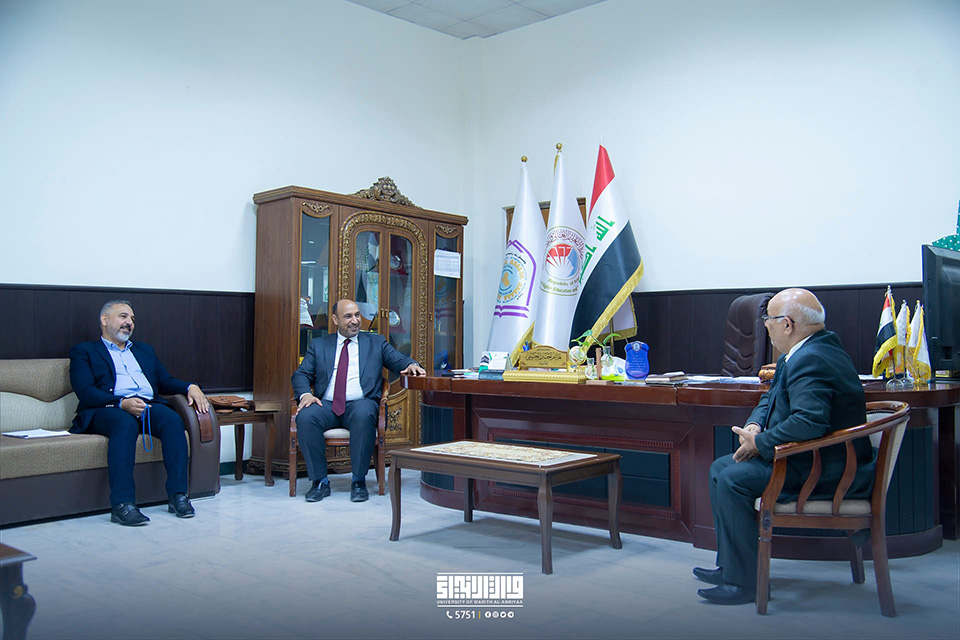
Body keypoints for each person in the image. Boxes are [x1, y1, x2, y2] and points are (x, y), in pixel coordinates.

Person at [695, 288, 872, 605]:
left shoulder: (812, 359)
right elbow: (769, 399)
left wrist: (759, 444)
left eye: (769, 319)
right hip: (811, 459)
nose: (765, 325)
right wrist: (754, 426)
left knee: (732, 478)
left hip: (823, 470)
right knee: (720, 468)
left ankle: (744, 584)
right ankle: (733, 567)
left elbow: (809, 421)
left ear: (787, 324)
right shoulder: (809, 349)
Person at [69, 300, 210, 526]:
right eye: (123, 316)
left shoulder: (144, 350)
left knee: (172, 420)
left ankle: (179, 496)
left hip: (146, 405)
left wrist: (189, 386)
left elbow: (164, 381)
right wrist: (121, 402)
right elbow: (85, 391)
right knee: (124, 424)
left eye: (132, 319)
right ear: (104, 319)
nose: (129, 322)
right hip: (107, 408)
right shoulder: (84, 351)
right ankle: (122, 505)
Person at [292, 299, 426, 503]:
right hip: (326, 405)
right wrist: (306, 395)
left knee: (364, 414)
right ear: (335, 319)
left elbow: (397, 359)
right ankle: (319, 482)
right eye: (348, 316)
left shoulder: (375, 342)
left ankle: (358, 481)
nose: (355, 321)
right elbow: (301, 374)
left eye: (356, 315)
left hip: (360, 403)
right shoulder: (320, 345)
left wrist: (412, 364)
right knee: (305, 416)